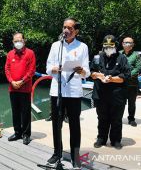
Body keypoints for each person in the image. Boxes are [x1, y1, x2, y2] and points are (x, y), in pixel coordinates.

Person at [46, 18, 90, 167]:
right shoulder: (55, 46)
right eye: (64, 27)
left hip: (74, 91)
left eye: (70, 28)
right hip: (57, 90)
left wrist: (82, 70)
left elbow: (87, 72)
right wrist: (53, 69)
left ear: (76, 31)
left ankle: (75, 155)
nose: (66, 30)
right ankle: (57, 153)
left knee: (74, 124)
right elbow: (48, 67)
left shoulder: (83, 47)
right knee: (56, 124)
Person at [91, 35, 130, 150]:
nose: (108, 48)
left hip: (117, 95)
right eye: (106, 46)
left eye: (111, 46)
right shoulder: (97, 57)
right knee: (102, 118)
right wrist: (98, 75)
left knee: (116, 119)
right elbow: (91, 73)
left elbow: (126, 76)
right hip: (100, 94)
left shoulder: (122, 58)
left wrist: (112, 79)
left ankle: (116, 140)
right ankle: (101, 138)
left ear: (115, 46)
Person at [5, 32, 36, 145]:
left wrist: (22, 81)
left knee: (25, 112)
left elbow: (31, 70)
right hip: (13, 88)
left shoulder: (30, 53)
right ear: (13, 42)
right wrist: (12, 81)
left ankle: (26, 134)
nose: (18, 43)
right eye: (15, 41)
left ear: (24, 41)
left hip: (25, 88)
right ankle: (17, 132)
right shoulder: (10, 54)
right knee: (15, 111)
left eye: (20, 40)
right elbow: (7, 69)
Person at [120, 37, 141, 127]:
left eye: (130, 43)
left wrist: (126, 76)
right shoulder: (118, 54)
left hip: (132, 83)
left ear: (133, 45)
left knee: (132, 103)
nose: (127, 44)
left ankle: (131, 119)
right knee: (120, 102)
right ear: (122, 44)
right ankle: (118, 117)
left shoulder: (136, 55)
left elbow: (137, 68)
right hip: (120, 83)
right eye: (126, 42)